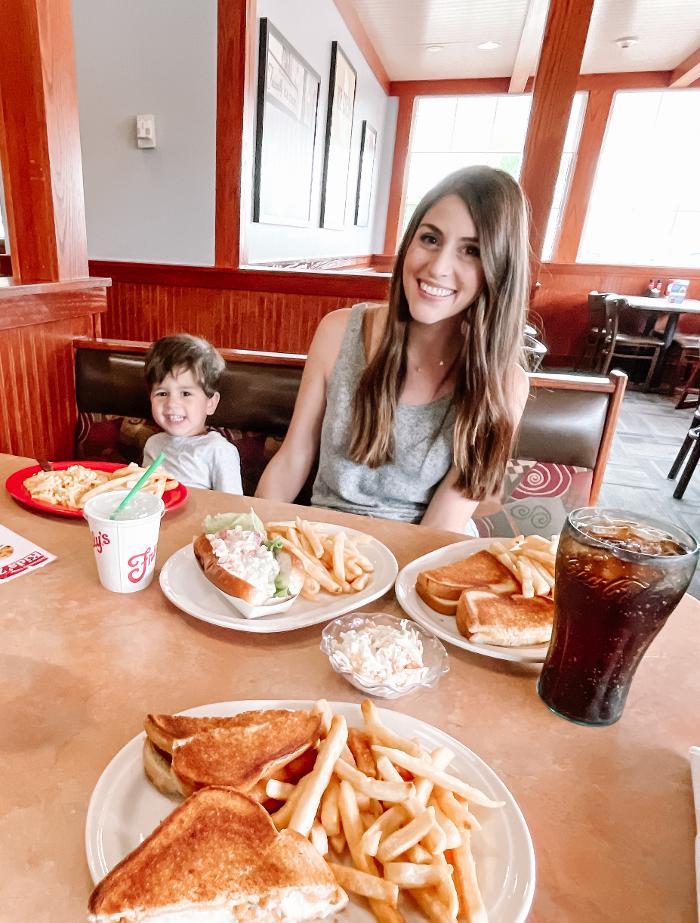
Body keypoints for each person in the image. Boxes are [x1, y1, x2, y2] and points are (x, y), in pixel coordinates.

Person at [255, 165, 530, 532]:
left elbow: (445, 519)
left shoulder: (504, 382)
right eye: (430, 239)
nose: (438, 267)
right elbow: (294, 456)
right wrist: (249, 538)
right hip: (323, 539)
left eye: (472, 250)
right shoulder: (338, 332)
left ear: (499, 269)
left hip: (422, 549)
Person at [142, 334, 242, 494]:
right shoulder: (153, 444)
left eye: (186, 393)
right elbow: (144, 497)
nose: (171, 403)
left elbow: (234, 509)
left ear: (210, 403)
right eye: (162, 393)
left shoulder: (219, 451)